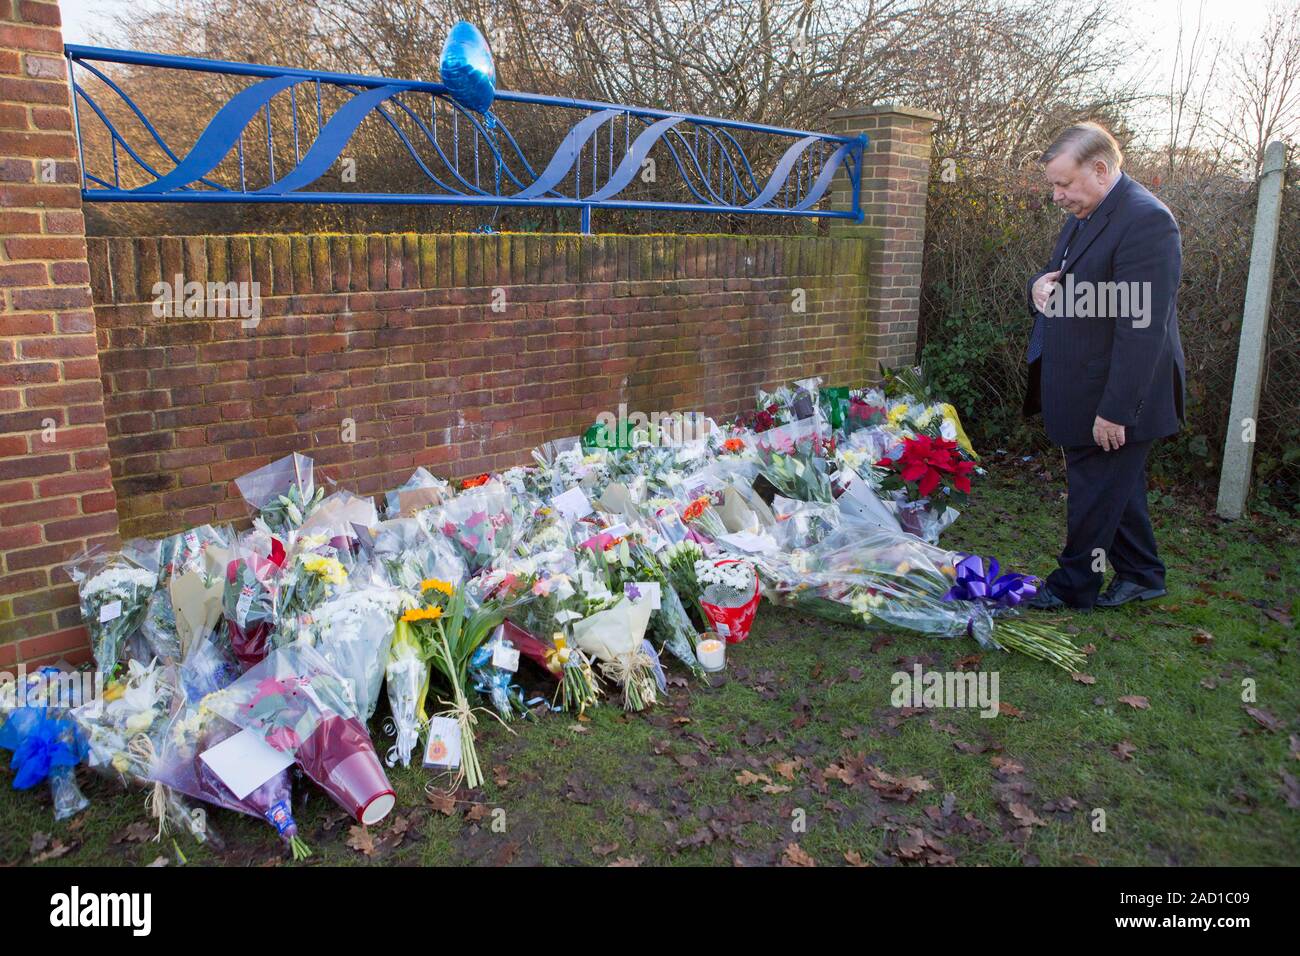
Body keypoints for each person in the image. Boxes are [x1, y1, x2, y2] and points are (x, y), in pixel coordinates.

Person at [1022, 122, 1185, 610]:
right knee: (1118, 486)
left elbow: (1143, 329)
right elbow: (1067, 282)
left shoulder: (1147, 221)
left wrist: (1116, 411)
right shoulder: (1087, 211)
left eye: (1063, 183)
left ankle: (1073, 586)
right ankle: (1142, 574)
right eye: (1054, 184)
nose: (1056, 195)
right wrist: (1038, 290)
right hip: (1082, 379)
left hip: (1115, 393)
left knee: (1094, 493)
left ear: (1100, 168)